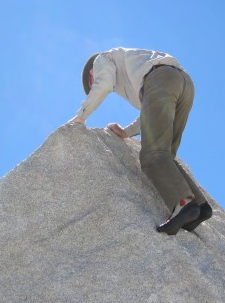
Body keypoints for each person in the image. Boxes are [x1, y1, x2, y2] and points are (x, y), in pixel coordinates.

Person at [69, 47, 212, 235]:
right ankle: (201, 208)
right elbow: (151, 110)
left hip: (161, 80)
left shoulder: (102, 60)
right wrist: (127, 132)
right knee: (165, 154)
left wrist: (81, 117)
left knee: (151, 155)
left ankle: (184, 204)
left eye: (92, 84)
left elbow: (103, 85)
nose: (95, 87)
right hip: (183, 84)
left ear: (91, 73)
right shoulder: (131, 69)